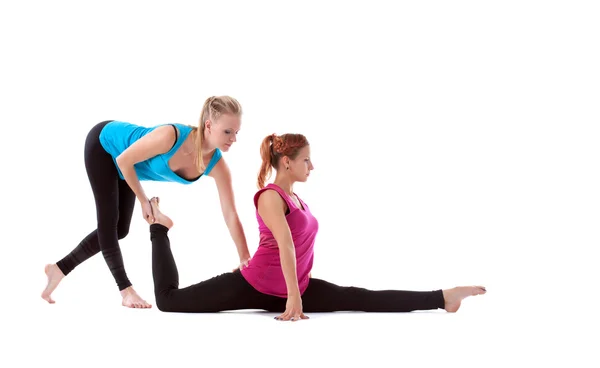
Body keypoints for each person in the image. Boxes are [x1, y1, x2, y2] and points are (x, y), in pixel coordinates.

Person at [145, 133, 486, 319]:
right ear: (287, 162)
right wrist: (294, 297)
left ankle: (443, 298)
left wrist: (297, 292)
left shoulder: (299, 201)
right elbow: (286, 246)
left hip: (297, 287)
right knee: (170, 302)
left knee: (358, 298)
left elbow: (299, 246)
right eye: (306, 159)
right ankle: (160, 227)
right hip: (255, 285)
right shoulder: (270, 196)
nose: (312, 165)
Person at [41, 95, 251, 308]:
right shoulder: (172, 136)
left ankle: (58, 269)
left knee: (120, 230)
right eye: (227, 131)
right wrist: (143, 200)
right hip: (105, 146)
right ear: (208, 125)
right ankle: (126, 291)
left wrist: (245, 258)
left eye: (236, 132)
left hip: (127, 167)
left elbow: (230, 214)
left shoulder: (217, 166)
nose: (233, 138)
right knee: (108, 223)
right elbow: (124, 160)